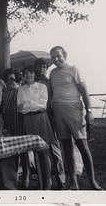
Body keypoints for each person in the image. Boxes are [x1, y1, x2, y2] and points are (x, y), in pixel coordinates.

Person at [49, 46, 103, 190]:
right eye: (53, 57)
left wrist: (89, 111)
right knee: (66, 146)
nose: (56, 59)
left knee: (82, 145)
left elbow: (85, 92)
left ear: (64, 55)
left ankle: (93, 182)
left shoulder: (74, 70)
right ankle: (73, 182)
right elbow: (52, 93)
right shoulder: (52, 73)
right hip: (58, 110)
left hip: (74, 109)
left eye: (58, 56)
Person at [17, 65, 56, 190]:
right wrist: (30, 105)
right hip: (27, 120)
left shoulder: (42, 87)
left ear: (35, 74)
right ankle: (38, 183)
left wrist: (27, 104)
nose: (29, 75)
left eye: (31, 73)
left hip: (41, 119)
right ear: (24, 75)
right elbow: (20, 108)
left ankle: (46, 184)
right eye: (26, 73)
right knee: (32, 152)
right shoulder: (21, 89)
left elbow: (42, 104)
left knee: (44, 153)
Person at [34, 58, 66, 190]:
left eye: (43, 67)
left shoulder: (50, 82)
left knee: (55, 149)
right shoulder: (32, 83)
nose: (41, 69)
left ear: (46, 68)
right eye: (39, 67)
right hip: (38, 119)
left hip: (50, 117)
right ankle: (45, 181)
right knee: (41, 150)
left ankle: (61, 179)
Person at [0, 68, 29, 190]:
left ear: (17, 78)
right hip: (9, 124)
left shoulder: (21, 90)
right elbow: (2, 107)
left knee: (23, 151)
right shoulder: (6, 91)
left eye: (12, 78)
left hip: (20, 123)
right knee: (12, 152)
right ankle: (15, 177)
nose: (9, 81)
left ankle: (26, 177)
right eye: (7, 79)